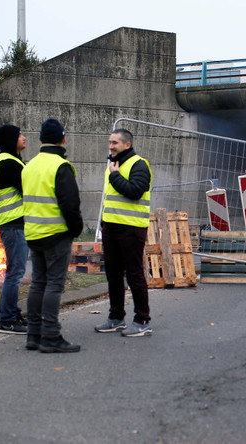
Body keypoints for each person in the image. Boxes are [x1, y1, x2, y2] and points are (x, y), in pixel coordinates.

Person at [22, 118, 84, 353]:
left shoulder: (30, 165)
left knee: (38, 283)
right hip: (56, 234)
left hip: (34, 233)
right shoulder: (60, 166)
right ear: (63, 139)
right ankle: (50, 336)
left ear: (40, 140)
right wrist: (76, 229)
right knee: (54, 285)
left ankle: (33, 335)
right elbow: (71, 204)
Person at [94, 128, 153, 337]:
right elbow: (110, 199)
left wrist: (115, 176)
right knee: (113, 274)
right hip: (111, 227)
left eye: (115, 143)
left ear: (127, 145)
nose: (110, 146)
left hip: (131, 228)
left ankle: (142, 319)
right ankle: (116, 317)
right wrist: (103, 223)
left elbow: (135, 191)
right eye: (109, 142)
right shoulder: (113, 166)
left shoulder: (138, 164)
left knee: (134, 274)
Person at [0, 125, 29, 334]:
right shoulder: (9, 163)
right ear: (10, 140)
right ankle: (7, 319)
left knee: (16, 271)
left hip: (13, 224)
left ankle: (13, 314)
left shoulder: (10, 161)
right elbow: (29, 189)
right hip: (13, 224)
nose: (24, 137)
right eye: (19, 135)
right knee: (15, 273)